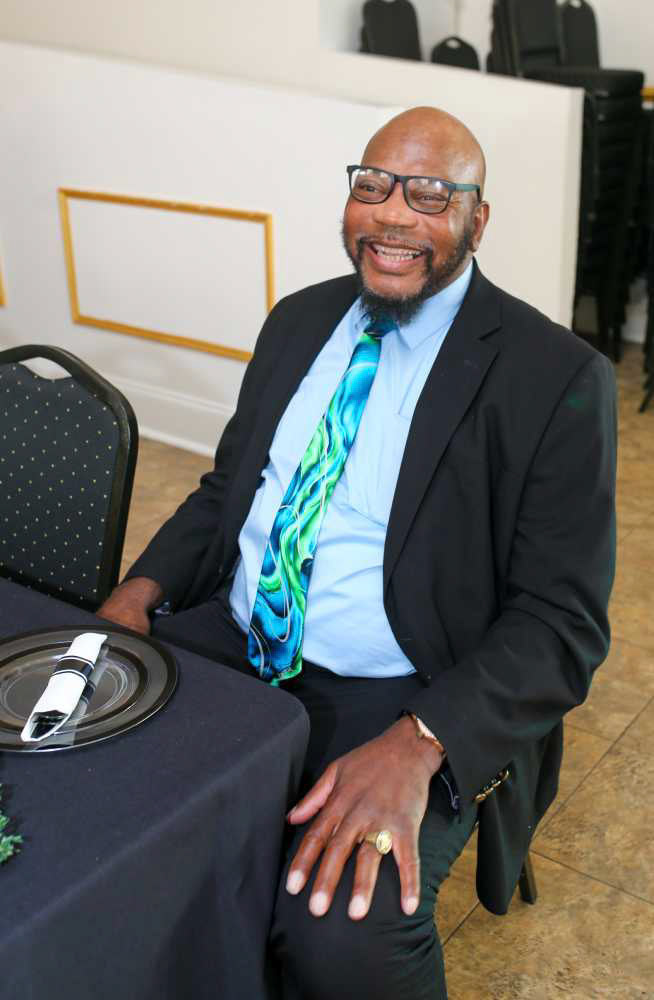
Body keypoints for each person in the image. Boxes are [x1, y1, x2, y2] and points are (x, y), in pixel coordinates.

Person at [98, 106, 617, 999]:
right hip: (237, 641)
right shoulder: (298, 321)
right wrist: (139, 590)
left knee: (340, 933)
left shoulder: (554, 376)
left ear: (477, 219)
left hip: (402, 691)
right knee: (92, 789)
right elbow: (229, 492)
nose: (394, 215)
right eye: (373, 186)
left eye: (430, 195)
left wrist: (422, 740)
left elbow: (559, 623)